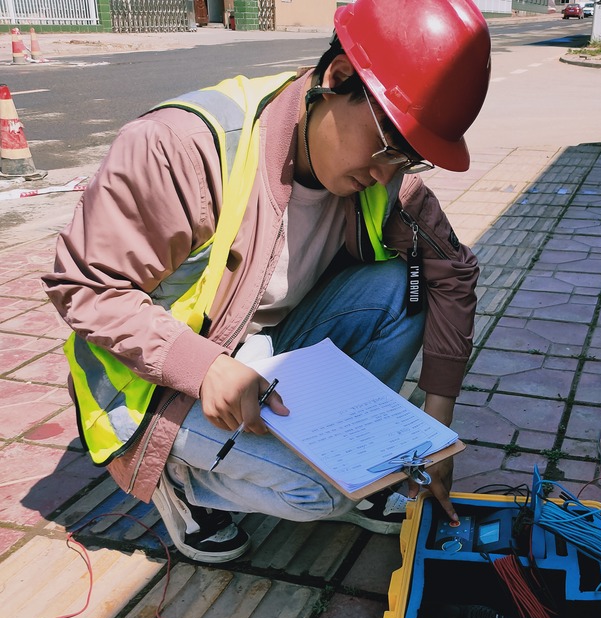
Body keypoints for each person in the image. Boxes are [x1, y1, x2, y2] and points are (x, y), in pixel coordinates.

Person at [43, 0, 492, 564]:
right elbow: (83, 285)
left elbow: (452, 272)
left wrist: (435, 433)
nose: (386, 174)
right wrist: (204, 367)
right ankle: (178, 480)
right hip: (158, 382)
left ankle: (347, 451)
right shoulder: (183, 148)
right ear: (339, 78)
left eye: (408, 159)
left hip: (264, 357)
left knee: (401, 290)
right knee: (324, 491)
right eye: (385, 149)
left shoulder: (383, 179)